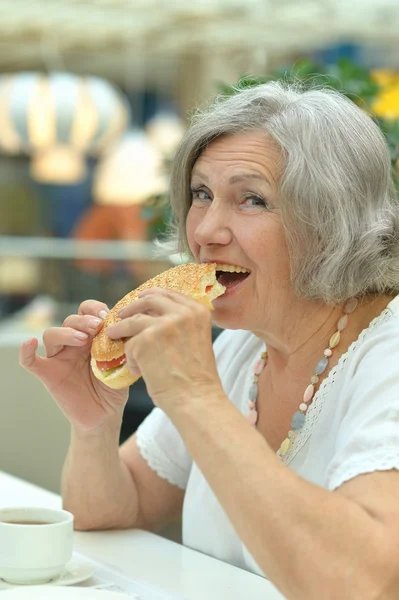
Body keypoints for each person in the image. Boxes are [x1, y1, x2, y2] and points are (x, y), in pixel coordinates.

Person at [20, 81, 399, 600]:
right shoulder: (241, 345)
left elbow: (363, 585)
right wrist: (95, 425)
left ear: (332, 222)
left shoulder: (387, 354)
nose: (207, 231)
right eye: (202, 194)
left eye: (252, 199)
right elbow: (108, 512)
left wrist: (196, 396)